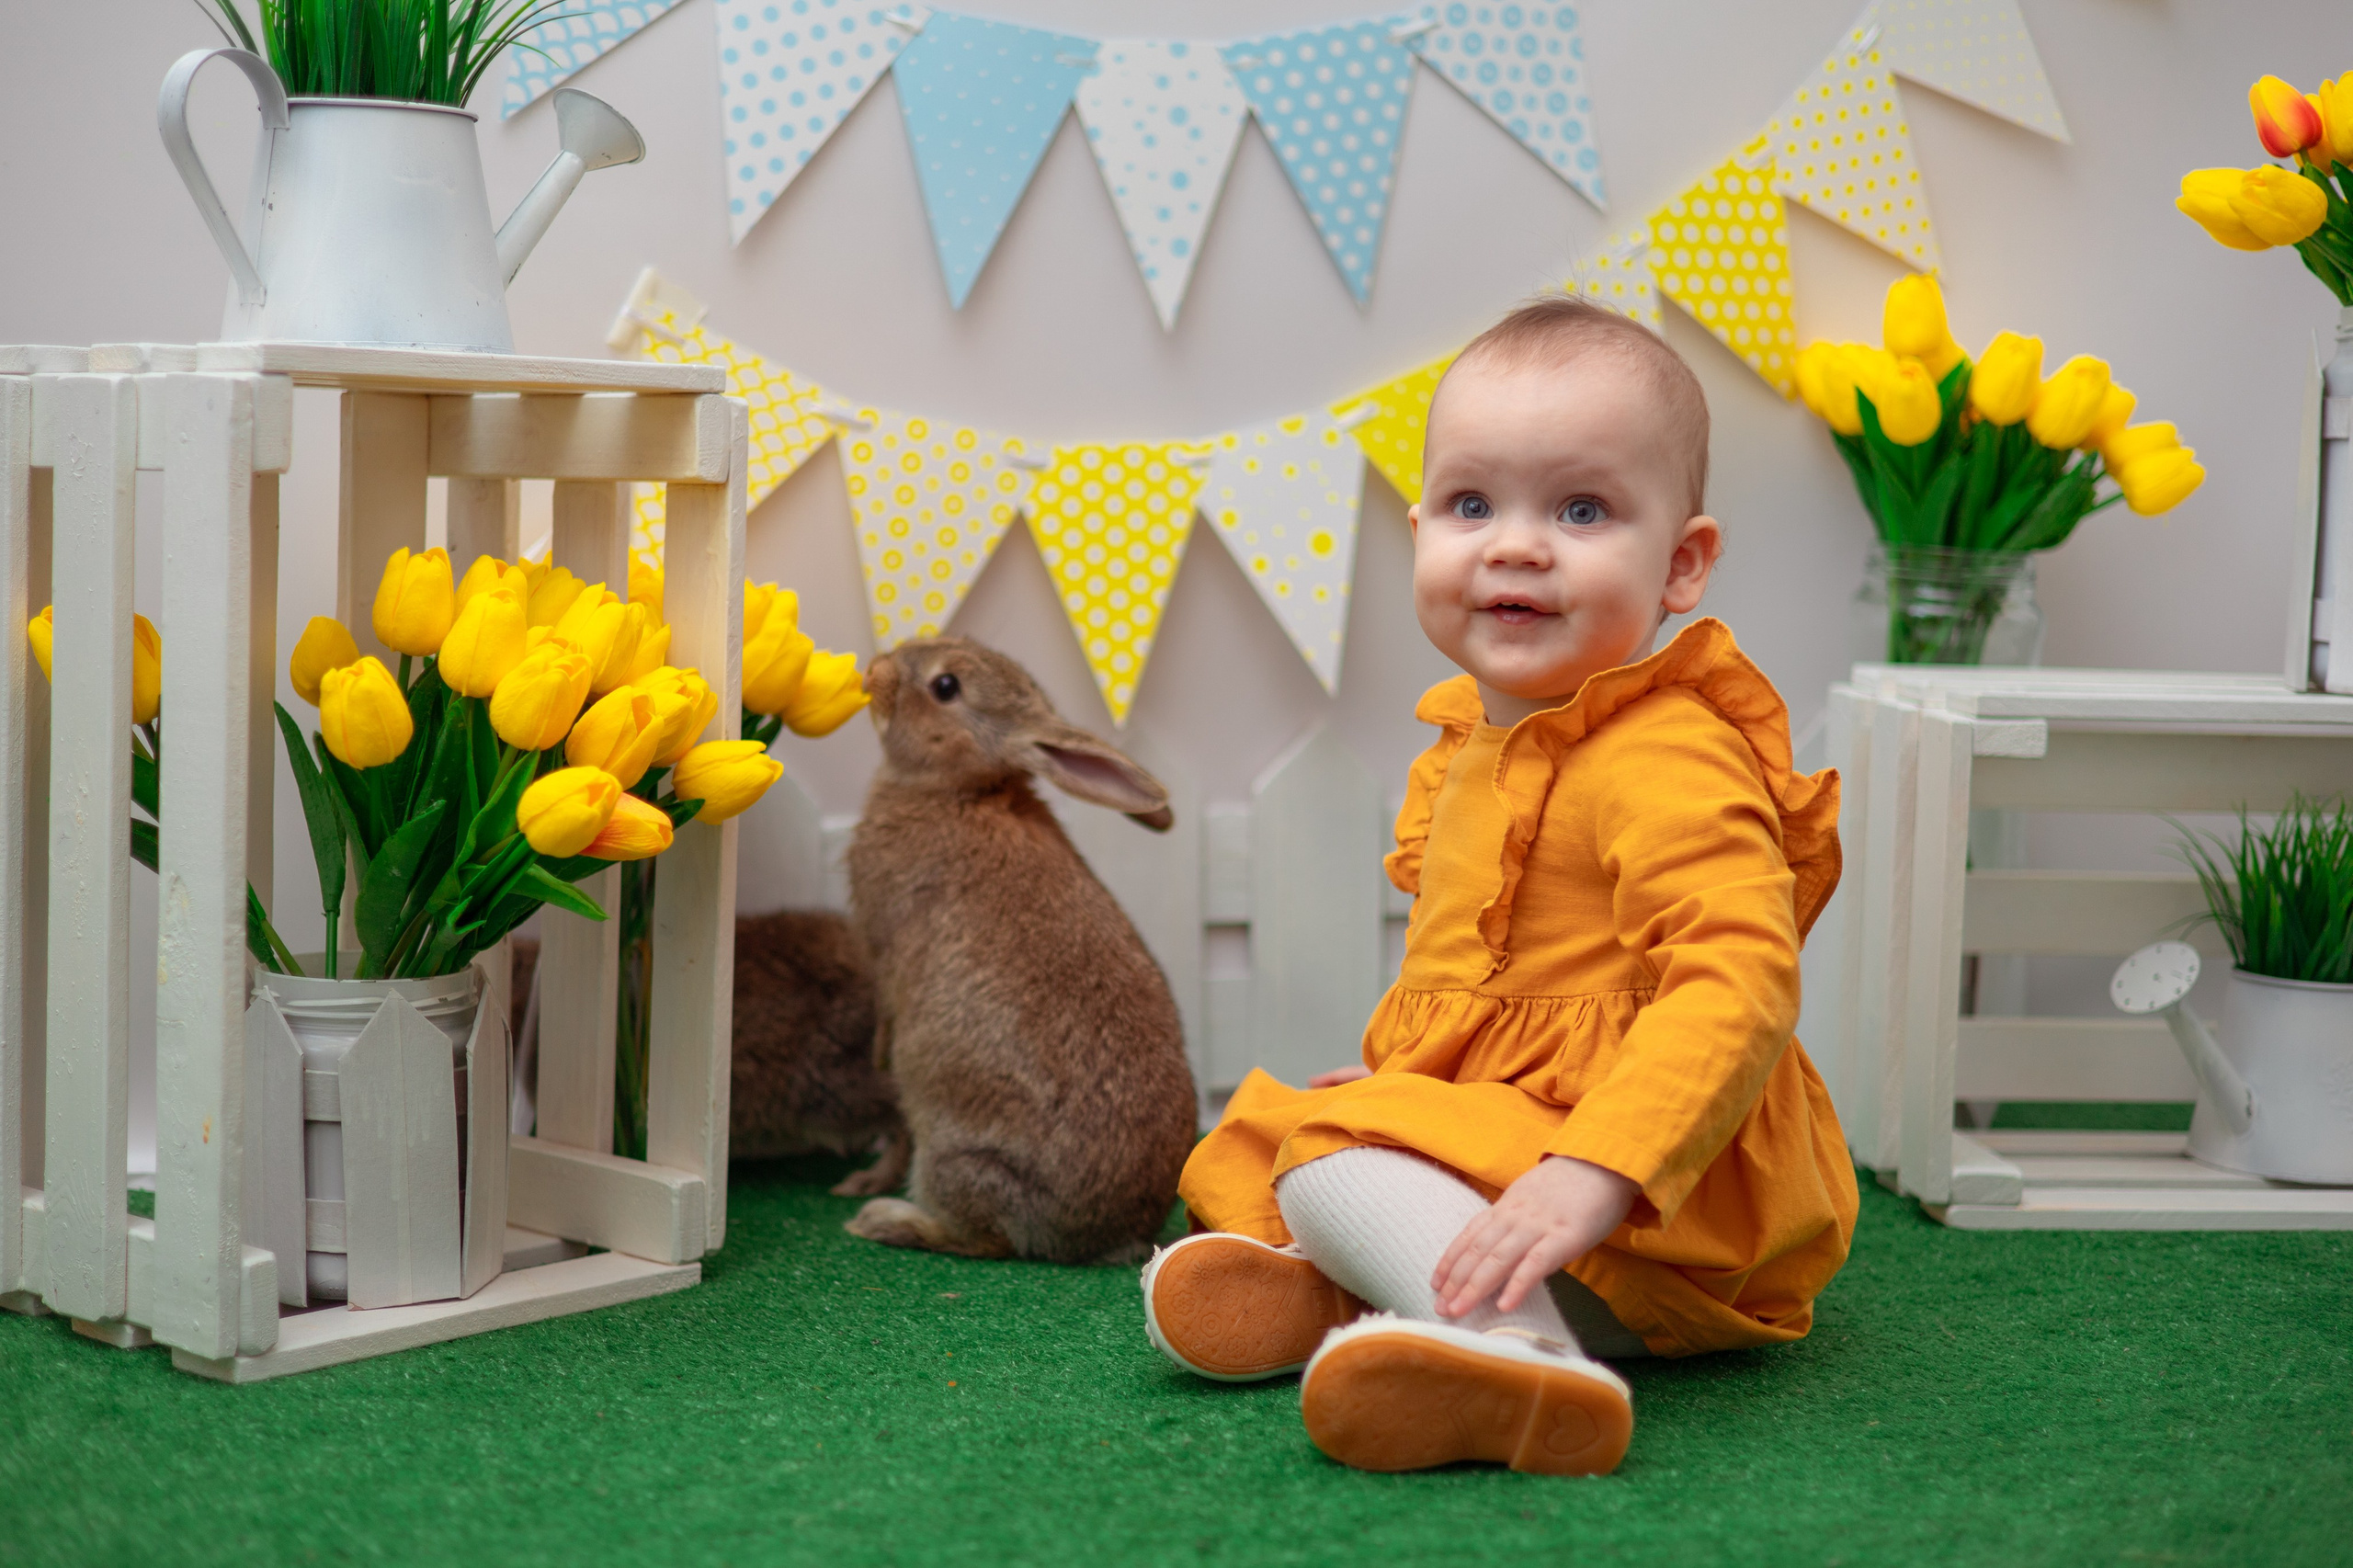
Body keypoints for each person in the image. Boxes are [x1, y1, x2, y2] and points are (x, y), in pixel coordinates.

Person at [1142, 296, 1857, 1477]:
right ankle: (1352, 1297)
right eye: (1472, 505)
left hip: (1658, 1197)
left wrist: (1598, 1169)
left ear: (1681, 563)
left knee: (1329, 1159)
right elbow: (1487, 978)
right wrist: (1410, 1080)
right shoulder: (1477, 742)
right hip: (1534, 1134)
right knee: (1270, 1128)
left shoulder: (1666, 751)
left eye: (1581, 510)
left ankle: (1527, 1357)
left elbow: (1739, 981)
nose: (1516, 545)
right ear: (1419, 528)